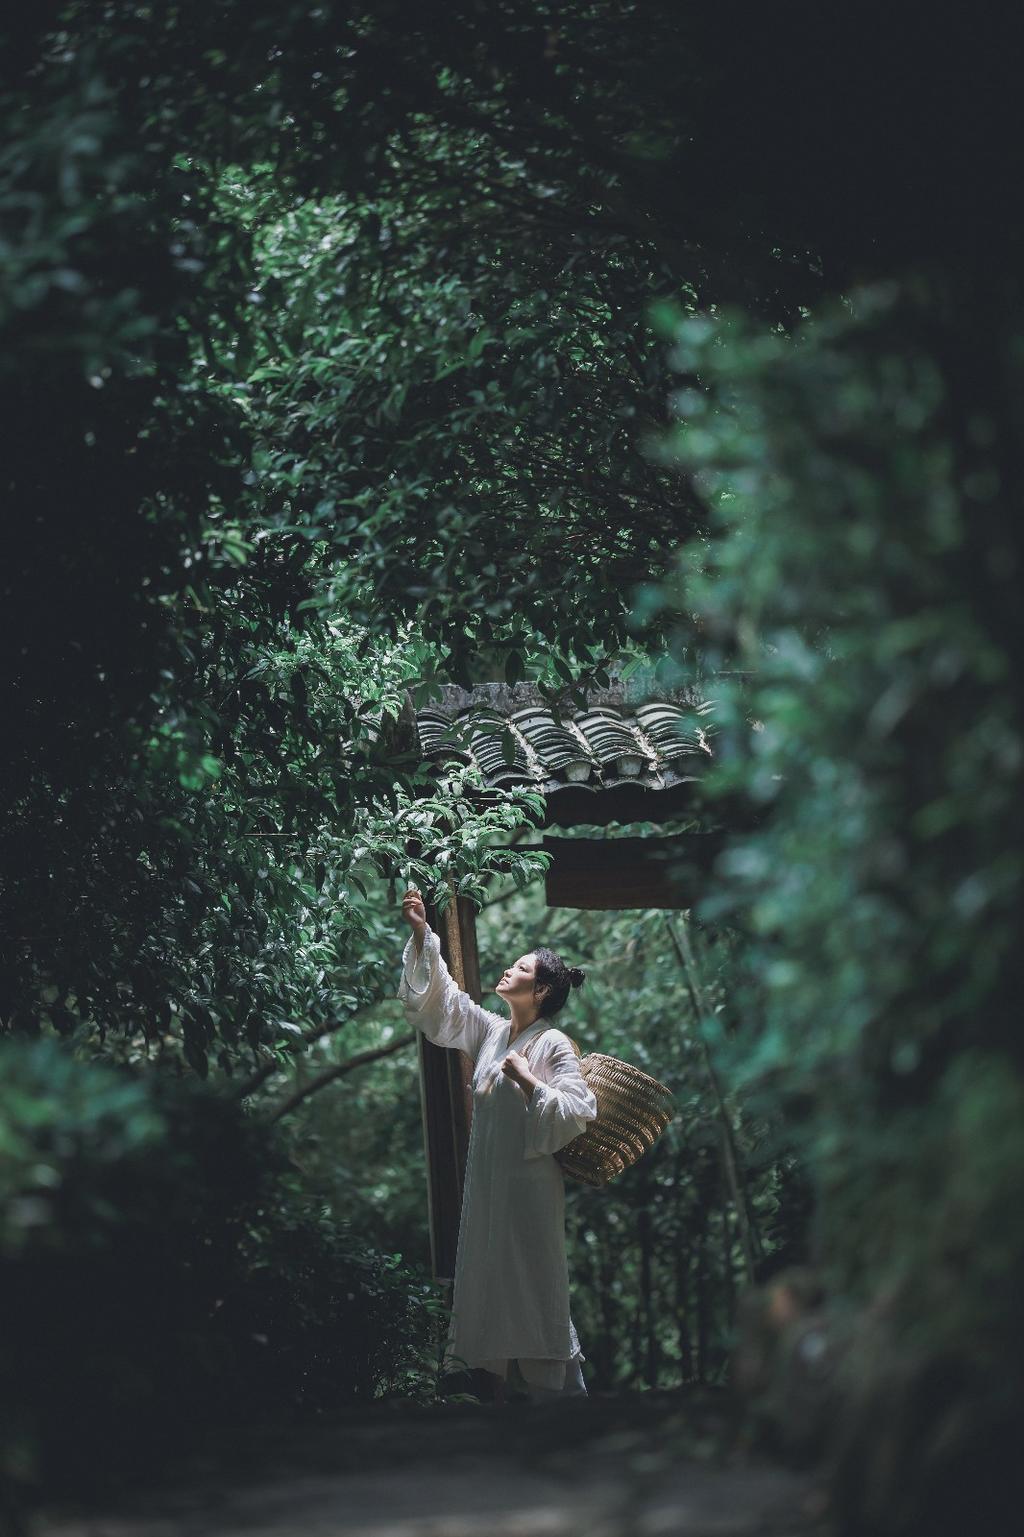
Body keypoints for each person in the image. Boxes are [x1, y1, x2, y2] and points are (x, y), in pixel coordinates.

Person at [398, 886, 598, 1406]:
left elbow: (577, 1111)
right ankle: (500, 1403)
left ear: (543, 991)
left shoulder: (551, 1044)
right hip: (488, 1186)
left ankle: (564, 1402)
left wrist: (529, 1078)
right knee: (489, 1280)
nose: (508, 971)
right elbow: (448, 1008)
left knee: (533, 1284)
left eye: (521, 968)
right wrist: (425, 936)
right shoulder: (492, 1032)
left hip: (529, 1191)